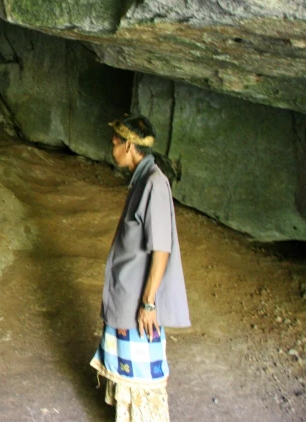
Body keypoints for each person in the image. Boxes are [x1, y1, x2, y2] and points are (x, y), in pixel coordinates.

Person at [89, 115, 191, 421]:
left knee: (143, 381)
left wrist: (148, 303)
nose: (112, 150)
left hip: (138, 304)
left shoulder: (154, 185)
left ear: (130, 146)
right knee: (128, 376)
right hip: (127, 298)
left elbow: (161, 250)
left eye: (115, 144)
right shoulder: (141, 180)